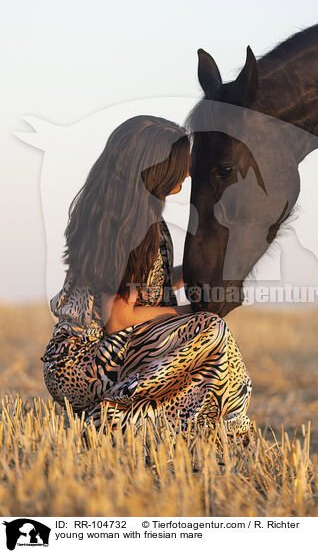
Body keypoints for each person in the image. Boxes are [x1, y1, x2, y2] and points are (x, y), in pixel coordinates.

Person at [40, 115, 252, 443]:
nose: (189, 169)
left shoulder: (130, 218)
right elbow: (120, 318)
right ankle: (109, 423)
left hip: (100, 356)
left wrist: (205, 279)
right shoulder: (130, 229)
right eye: (182, 160)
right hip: (84, 364)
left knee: (208, 338)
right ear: (156, 167)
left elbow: (145, 288)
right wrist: (190, 315)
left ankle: (208, 432)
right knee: (210, 329)